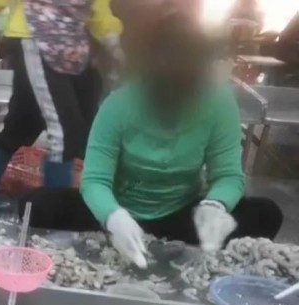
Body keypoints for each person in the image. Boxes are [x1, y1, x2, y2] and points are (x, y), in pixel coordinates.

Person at [18, 11, 283, 268]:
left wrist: (215, 205)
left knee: (265, 213)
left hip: (183, 215)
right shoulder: (120, 104)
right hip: (121, 211)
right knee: (34, 204)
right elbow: (95, 180)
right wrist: (113, 216)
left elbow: (228, 175)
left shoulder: (218, 103)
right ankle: (127, 233)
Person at [0, 0, 125, 210]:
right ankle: (56, 206)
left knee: (23, 124)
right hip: (35, 38)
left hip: (72, 44)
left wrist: (111, 37)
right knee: (64, 132)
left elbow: (97, 5)